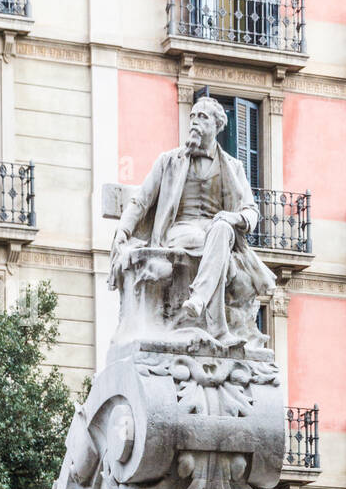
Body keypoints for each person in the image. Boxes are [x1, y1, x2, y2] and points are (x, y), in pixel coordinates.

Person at [110, 95, 275, 346]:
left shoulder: (233, 166)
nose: (195, 122)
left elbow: (251, 211)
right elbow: (142, 200)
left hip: (216, 230)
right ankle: (218, 329)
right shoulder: (169, 161)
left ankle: (198, 300)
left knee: (220, 230)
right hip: (181, 232)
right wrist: (123, 230)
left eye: (203, 117)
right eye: (193, 116)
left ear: (217, 126)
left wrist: (234, 217)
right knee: (217, 242)